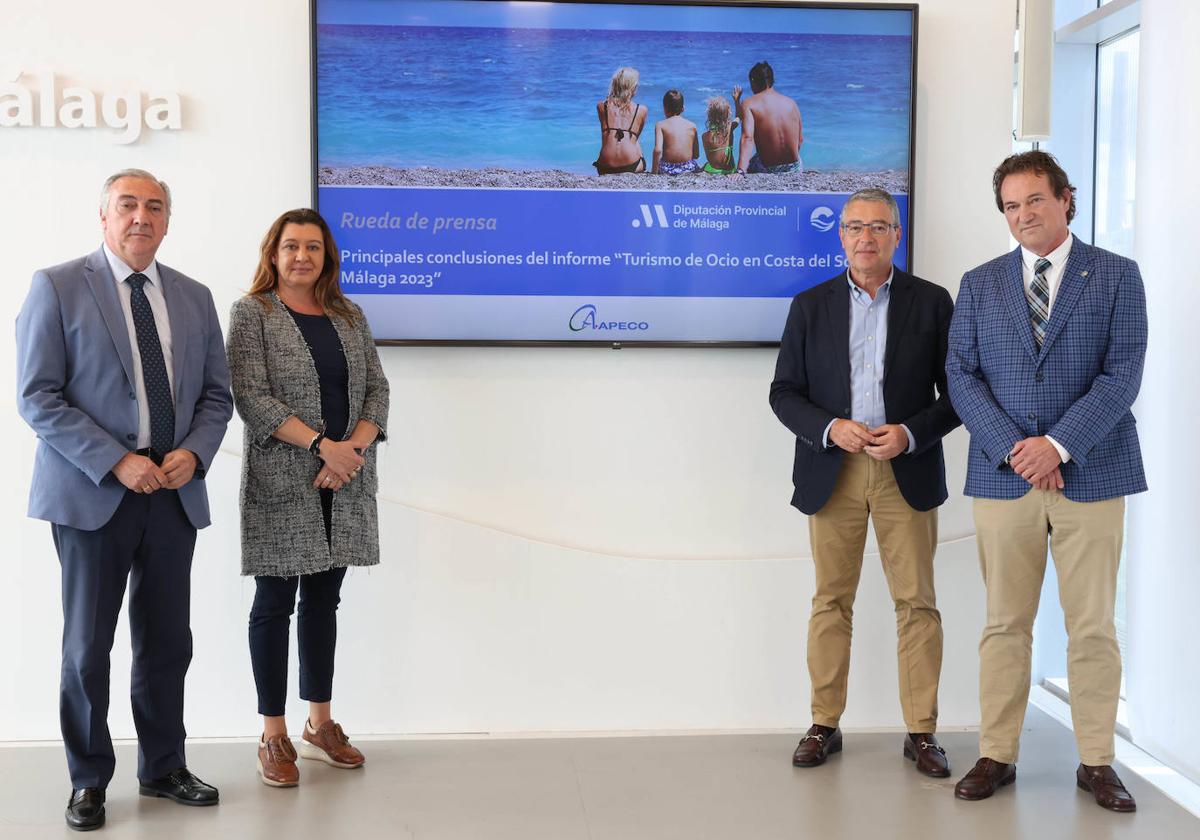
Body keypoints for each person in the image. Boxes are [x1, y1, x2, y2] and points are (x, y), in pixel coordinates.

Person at [15, 169, 233, 831]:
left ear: (168, 221)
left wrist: (192, 452)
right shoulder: (56, 286)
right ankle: (88, 781)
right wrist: (117, 461)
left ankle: (164, 766)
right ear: (104, 216)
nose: (142, 216)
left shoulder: (193, 297)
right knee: (88, 648)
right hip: (91, 496)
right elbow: (37, 396)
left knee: (168, 642)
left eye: (155, 207)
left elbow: (216, 397)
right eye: (128, 205)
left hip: (173, 497)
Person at [946, 151, 1147, 812]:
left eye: (1034, 199)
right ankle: (998, 753)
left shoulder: (1117, 275)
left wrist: (1058, 444)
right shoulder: (979, 284)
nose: (1023, 215)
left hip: (1093, 472)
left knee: (1093, 626)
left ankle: (1097, 762)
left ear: (1067, 198)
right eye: (1010, 206)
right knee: (1005, 624)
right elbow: (962, 377)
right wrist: (1018, 448)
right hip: (1004, 480)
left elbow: (1122, 375)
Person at [770, 188, 959, 776]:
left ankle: (921, 732)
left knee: (917, 604)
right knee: (831, 601)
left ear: (897, 235)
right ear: (841, 235)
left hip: (906, 468)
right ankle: (824, 723)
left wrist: (911, 433)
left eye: (878, 227)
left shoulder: (932, 303)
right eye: (855, 227)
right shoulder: (810, 305)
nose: (866, 237)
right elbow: (783, 394)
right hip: (834, 472)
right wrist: (830, 428)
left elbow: (959, 396)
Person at [226, 208, 389, 789]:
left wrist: (350, 454)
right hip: (283, 481)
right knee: (274, 603)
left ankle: (320, 725)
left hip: (343, 483)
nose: (302, 256)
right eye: (291, 246)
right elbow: (252, 398)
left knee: (324, 602)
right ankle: (274, 732)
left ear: (327, 256)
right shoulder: (253, 314)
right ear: (273, 254)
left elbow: (377, 389)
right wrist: (324, 446)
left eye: (313, 247)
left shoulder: (349, 315)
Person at [736, 61, 803, 175]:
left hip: (769, 168)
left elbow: (748, 138)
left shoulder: (749, 103)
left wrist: (740, 170)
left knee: (753, 163)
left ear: (753, 81)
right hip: (795, 167)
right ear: (772, 80)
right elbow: (800, 140)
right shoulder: (791, 103)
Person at [593, 66, 648, 175]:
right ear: (632, 88)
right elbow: (634, 139)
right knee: (633, 139)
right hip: (631, 165)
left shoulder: (601, 106)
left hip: (604, 167)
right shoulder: (641, 110)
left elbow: (605, 138)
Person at [652, 88, 701, 175]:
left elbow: (658, 151)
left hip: (667, 168)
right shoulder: (692, 126)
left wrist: (654, 173)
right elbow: (696, 154)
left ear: (664, 108)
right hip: (688, 168)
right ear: (683, 109)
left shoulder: (660, 125)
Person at [701, 89, 741, 175]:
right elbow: (738, 117)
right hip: (730, 170)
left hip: (713, 170)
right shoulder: (730, 128)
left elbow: (710, 158)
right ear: (728, 114)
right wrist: (737, 100)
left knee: (705, 165)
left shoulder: (704, 136)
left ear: (710, 115)